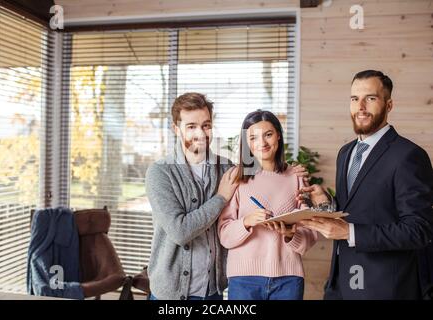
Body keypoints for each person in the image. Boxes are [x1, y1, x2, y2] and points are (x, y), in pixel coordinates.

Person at [145, 93, 310, 300]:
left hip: (212, 291)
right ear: (176, 129)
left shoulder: (228, 170)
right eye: (191, 126)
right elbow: (179, 231)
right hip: (172, 293)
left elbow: (262, 173)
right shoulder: (160, 172)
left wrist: (291, 171)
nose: (200, 133)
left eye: (206, 125)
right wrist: (220, 198)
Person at [299, 70, 433, 299]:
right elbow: (357, 208)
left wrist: (349, 232)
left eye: (370, 98)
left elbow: (418, 230)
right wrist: (327, 203)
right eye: (354, 99)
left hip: (385, 289)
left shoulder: (409, 155)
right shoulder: (346, 152)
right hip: (341, 284)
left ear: (389, 105)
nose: (360, 106)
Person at [217, 110, 318, 300]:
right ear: (246, 143)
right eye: (253, 137)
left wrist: (291, 235)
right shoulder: (235, 177)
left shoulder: (296, 177)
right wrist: (246, 222)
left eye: (268, 135)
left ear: (278, 136)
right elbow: (224, 235)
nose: (262, 143)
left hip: (288, 279)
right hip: (243, 280)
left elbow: (310, 234)